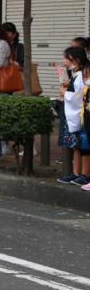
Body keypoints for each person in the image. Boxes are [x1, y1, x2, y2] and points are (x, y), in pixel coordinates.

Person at [58, 46, 90, 187]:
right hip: (76, 115)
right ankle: (77, 173)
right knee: (76, 146)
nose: (64, 61)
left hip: (80, 116)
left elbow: (78, 96)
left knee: (83, 146)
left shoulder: (82, 75)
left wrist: (65, 92)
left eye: (67, 58)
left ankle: (85, 174)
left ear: (75, 60)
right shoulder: (77, 74)